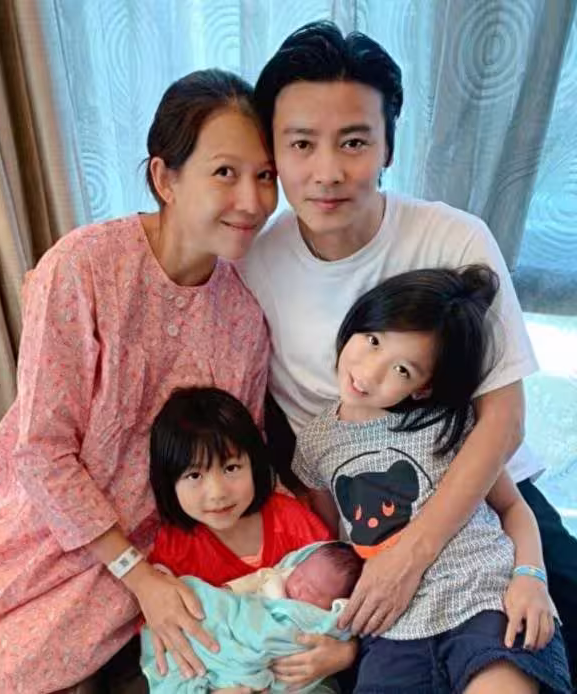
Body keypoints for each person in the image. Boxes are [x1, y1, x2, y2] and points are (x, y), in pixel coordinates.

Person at [239, 20, 577, 681]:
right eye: (301, 144)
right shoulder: (251, 266)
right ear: (273, 152)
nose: (328, 172)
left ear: (389, 147)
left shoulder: (453, 238)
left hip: (481, 488)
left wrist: (413, 555)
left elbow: (503, 421)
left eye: (354, 142)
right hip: (359, 513)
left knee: (552, 625)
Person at [0, 68, 278, 693]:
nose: (253, 200)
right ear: (165, 178)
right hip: (38, 529)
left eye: (265, 176)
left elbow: (238, 464)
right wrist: (135, 574)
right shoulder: (82, 268)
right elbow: (41, 452)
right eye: (225, 172)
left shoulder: (245, 319)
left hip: (151, 558)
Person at [292, 265, 572, 693]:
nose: (369, 372)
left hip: (484, 601)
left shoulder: (451, 424)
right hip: (390, 628)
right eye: (372, 341)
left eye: (402, 370)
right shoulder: (315, 444)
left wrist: (531, 577)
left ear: (424, 387)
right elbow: (332, 543)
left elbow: (514, 506)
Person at [145, 387, 359, 692]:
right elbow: (167, 646)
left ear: (254, 464)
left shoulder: (292, 522)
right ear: (168, 482)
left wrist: (345, 654)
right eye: (194, 475)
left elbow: (347, 600)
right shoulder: (175, 550)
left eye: (231, 468)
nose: (218, 492)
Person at [227, 540, 363, 609]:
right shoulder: (279, 577)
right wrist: (230, 589)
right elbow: (256, 579)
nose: (297, 588)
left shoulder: (320, 618)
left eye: (310, 591)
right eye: (298, 575)